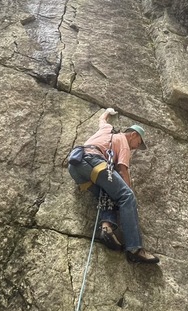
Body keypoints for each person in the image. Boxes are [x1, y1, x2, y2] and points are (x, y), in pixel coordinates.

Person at [68, 108, 159, 264]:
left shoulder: (107, 129)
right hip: (94, 161)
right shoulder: (124, 142)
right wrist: (128, 191)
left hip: (76, 166)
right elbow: (123, 169)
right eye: (138, 143)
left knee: (108, 193)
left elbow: (102, 120)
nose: (136, 147)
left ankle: (106, 228)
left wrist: (107, 112)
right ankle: (135, 249)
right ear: (133, 135)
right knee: (126, 196)